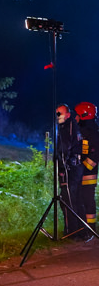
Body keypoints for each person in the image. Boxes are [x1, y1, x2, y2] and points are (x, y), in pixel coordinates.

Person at [56, 104, 84, 238]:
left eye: (59, 113)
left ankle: (72, 232)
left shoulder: (67, 128)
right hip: (76, 167)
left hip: (69, 169)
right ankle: (80, 230)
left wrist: (61, 168)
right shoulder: (73, 126)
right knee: (76, 199)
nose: (57, 117)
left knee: (67, 199)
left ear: (67, 115)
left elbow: (64, 150)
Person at [74, 101, 99, 239]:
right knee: (81, 201)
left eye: (77, 115)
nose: (75, 118)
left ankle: (91, 230)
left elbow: (95, 155)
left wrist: (84, 168)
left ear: (84, 115)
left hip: (88, 174)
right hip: (80, 173)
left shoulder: (93, 133)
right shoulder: (82, 131)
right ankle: (82, 230)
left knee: (88, 201)